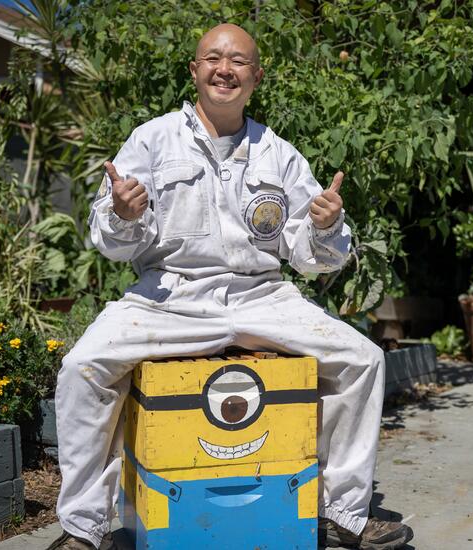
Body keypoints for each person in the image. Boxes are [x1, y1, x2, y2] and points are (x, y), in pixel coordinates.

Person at [47, 23, 413, 550]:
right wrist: (124, 215)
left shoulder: (279, 155)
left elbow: (311, 256)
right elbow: (110, 239)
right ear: (195, 71)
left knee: (362, 360)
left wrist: (328, 224)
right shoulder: (151, 140)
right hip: (168, 297)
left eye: (239, 61)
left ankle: (342, 514)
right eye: (213, 58)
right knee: (83, 367)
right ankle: (85, 528)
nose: (225, 69)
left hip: (262, 297)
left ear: (256, 76)